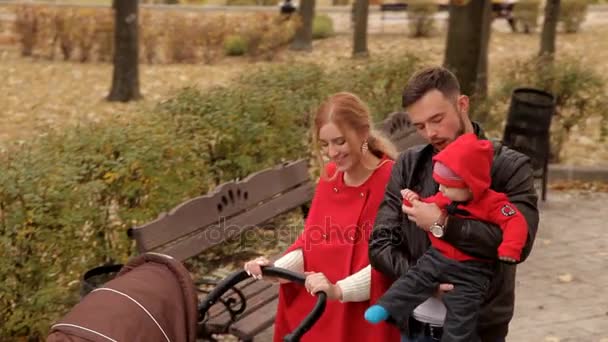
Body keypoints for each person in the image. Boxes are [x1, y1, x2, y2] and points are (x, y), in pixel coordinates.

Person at [368, 67, 539, 342]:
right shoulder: (409, 165)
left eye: (437, 119)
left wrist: (442, 224)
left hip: (480, 328)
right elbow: (380, 243)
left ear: (462, 104)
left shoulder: (509, 166)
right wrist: (426, 281)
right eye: (420, 126)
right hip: (414, 327)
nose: (431, 133)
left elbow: (521, 242)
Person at [243, 92, 400, 342]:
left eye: (339, 141)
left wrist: (339, 291)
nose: (332, 152)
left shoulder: (392, 179)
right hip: (319, 305)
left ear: (363, 133)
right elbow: (310, 246)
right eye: (324, 144)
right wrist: (274, 271)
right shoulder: (330, 178)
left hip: (365, 313)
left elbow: (391, 263)